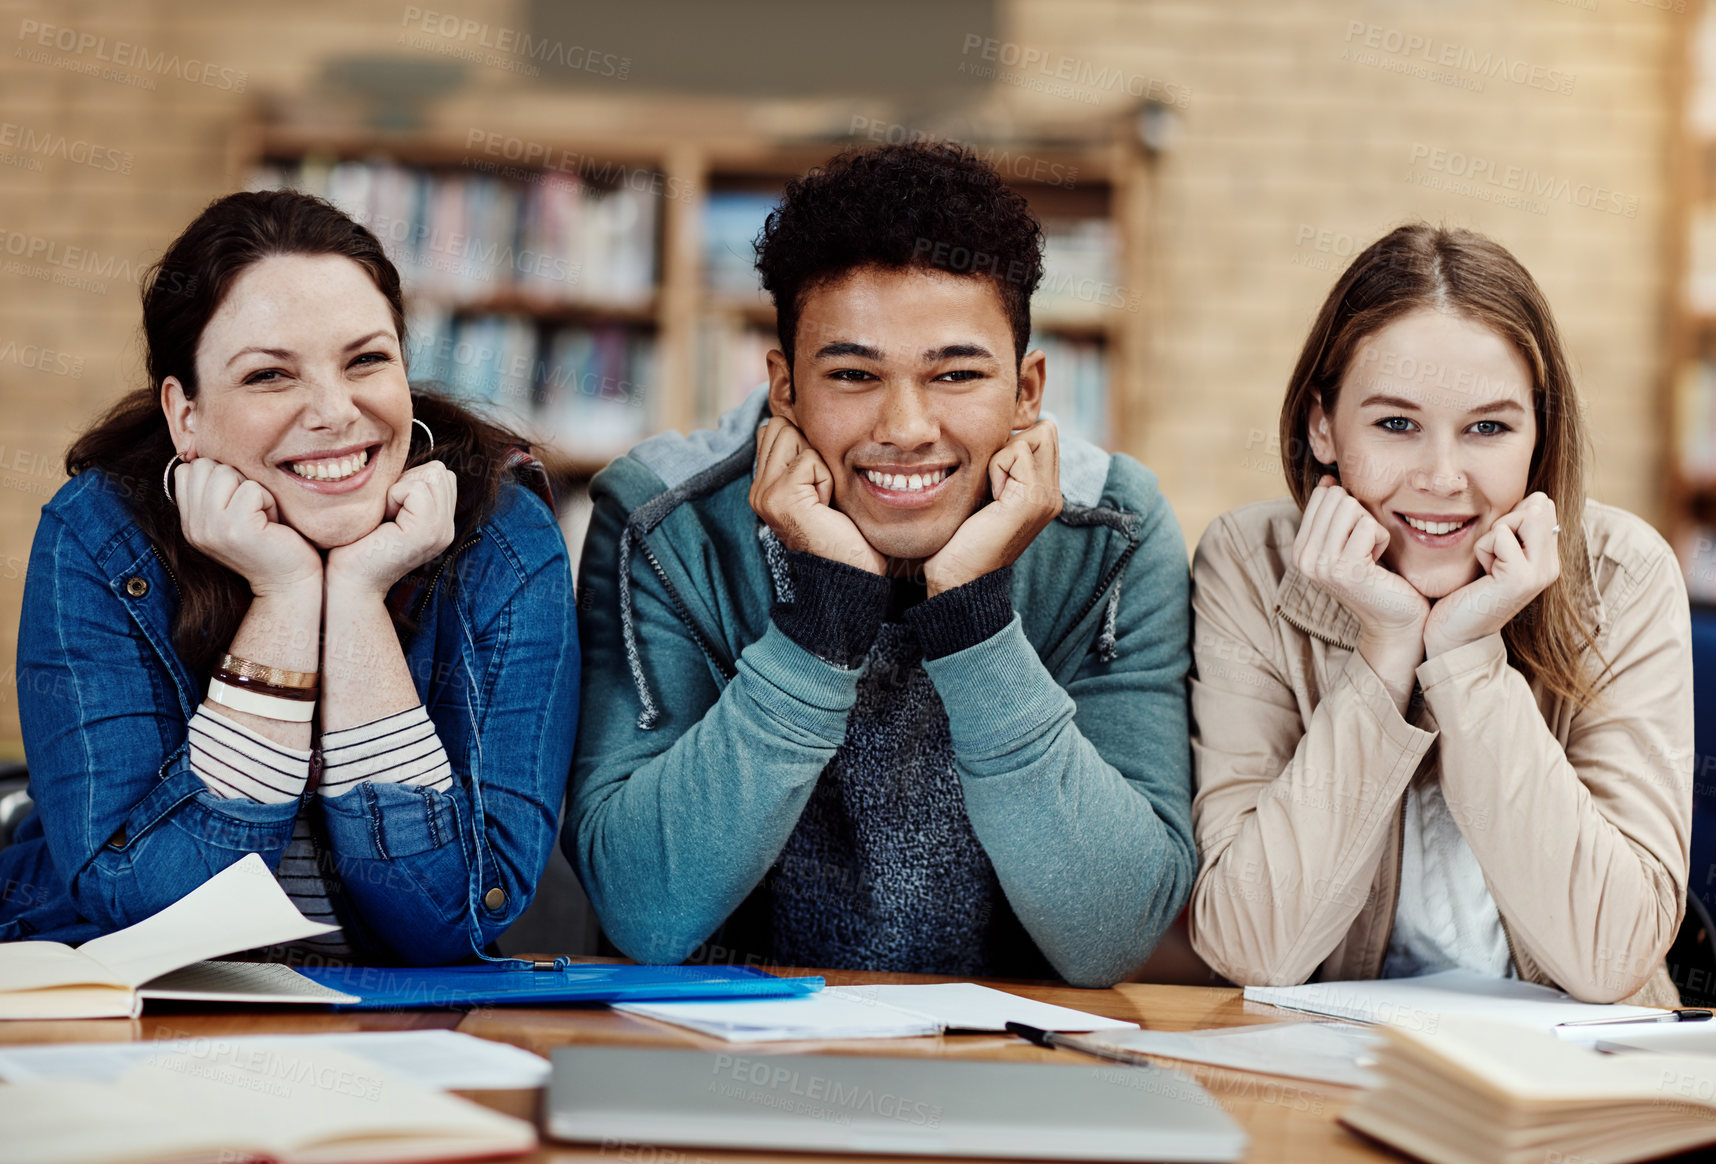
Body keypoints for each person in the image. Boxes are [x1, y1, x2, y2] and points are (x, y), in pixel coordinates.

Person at [565, 143, 1195, 987]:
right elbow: (644, 909)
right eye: (855, 373)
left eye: (957, 374)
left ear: (1028, 390)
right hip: (717, 1055)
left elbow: (1110, 933)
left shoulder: (1113, 533)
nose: (905, 426)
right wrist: (821, 622)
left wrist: (974, 621)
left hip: (1007, 1069)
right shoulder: (661, 522)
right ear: (784, 388)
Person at [2, 190, 578, 965]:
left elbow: (454, 917)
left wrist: (359, 597)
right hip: (135, 1014)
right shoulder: (101, 535)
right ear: (187, 414)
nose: (336, 411)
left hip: (398, 1027)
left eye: (367, 359)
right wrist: (287, 596)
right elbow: (143, 907)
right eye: (271, 375)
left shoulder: (502, 538)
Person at [1188, 224, 1691, 1004]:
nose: (1443, 477)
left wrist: (1466, 659)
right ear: (1322, 424)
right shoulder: (1250, 566)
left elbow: (1610, 956)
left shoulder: (1624, 577)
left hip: (1570, 1089)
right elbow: (1252, 948)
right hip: (1319, 1077)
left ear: (1539, 433)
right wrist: (1386, 652)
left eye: (1488, 427)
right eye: (1396, 424)